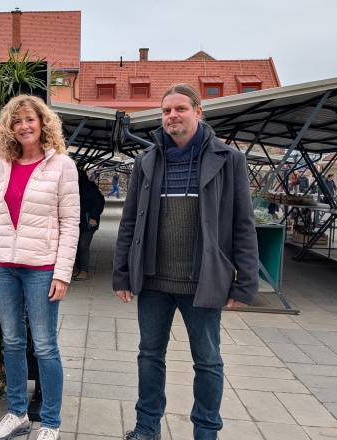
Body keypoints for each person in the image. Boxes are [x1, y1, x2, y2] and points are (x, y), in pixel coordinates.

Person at [113, 83, 258, 440]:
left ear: (198, 112)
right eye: (166, 111)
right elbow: (130, 221)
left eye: (180, 109)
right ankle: (146, 428)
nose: (172, 116)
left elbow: (243, 224)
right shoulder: (147, 161)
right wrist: (122, 274)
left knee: (207, 361)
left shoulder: (229, 159)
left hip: (202, 280)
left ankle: (206, 432)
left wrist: (245, 282)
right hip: (153, 281)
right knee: (149, 356)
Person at [0, 94, 79, 440]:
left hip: (41, 268)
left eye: (30, 119)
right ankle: (17, 414)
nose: (23, 126)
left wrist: (62, 273)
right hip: (4, 266)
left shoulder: (62, 166)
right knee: (11, 342)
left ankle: (50, 422)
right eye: (17, 121)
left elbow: (70, 223)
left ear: (43, 123)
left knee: (45, 345)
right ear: (9, 128)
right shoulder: (3, 166)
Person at [73, 169, 105, 281]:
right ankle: (78, 269)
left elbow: (99, 201)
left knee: (83, 245)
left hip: (88, 222)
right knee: (76, 245)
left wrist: (94, 217)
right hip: (77, 221)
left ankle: (84, 271)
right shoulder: (73, 186)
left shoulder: (88, 187)